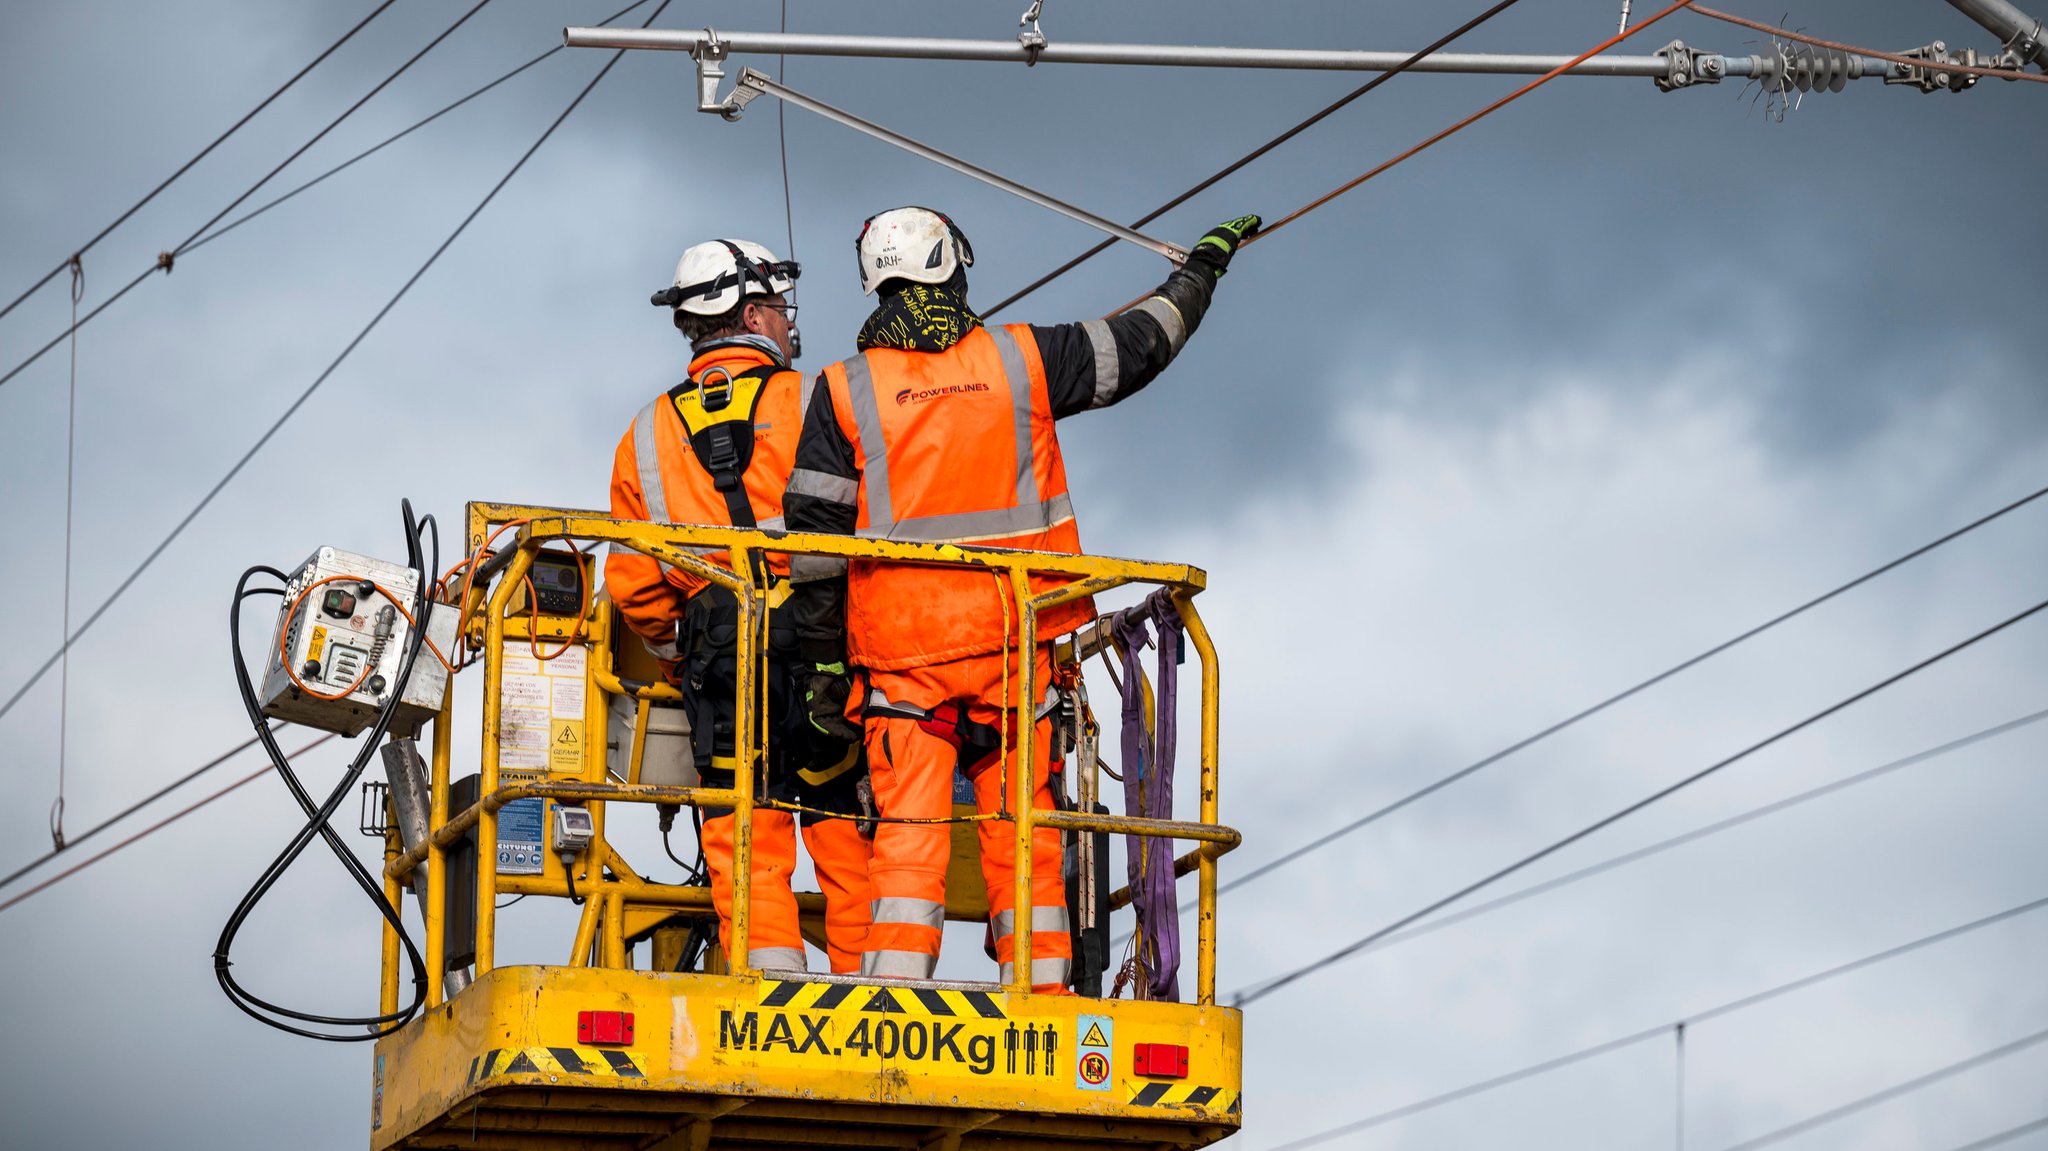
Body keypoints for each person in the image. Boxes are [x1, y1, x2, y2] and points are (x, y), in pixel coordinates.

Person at [783, 207, 1259, 991]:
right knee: (1026, 836)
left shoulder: (844, 389)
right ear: (950, 267)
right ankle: (1041, 998)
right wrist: (1200, 270)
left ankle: (895, 1001)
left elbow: (814, 551)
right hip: (1015, 656)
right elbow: (1140, 344)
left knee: (908, 840)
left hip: (906, 670)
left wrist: (822, 671)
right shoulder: (1022, 359)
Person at [605, 238, 872, 973]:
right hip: (823, 641)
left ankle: (769, 989)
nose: (789, 323)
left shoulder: (646, 435)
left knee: (741, 830)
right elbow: (871, 528)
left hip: (720, 654)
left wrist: (682, 654)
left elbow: (633, 587)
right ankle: (872, 990)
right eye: (781, 309)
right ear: (753, 310)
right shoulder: (818, 398)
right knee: (846, 825)